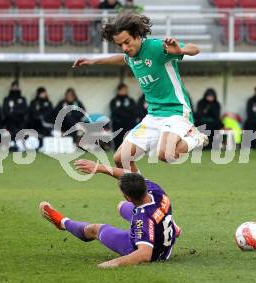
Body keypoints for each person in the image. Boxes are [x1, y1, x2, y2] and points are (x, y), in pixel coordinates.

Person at [73, 13, 207, 172]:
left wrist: (180, 50)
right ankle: (144, 193)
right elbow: (120, 58)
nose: (124, 48)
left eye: (127, 42)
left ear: (137, 36)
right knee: (121, 159)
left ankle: (194, 137)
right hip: (153, 116)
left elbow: (195, 49)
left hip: (176, 111)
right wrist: (94, 61)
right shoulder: (131, 56)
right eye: (120, 44)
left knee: (166, 154)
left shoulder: (156, 47)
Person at [39, 159, 181, 268]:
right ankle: (170, 226)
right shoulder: (155, 190)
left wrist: (113, 263)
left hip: (152, 252)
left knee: (94, 229)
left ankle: (62, 222)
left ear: (129, 197)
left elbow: (144, 254)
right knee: (120, 206)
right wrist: (99, 168)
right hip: (159, 227)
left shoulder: (141, 219)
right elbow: (129, 176)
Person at [110, 83, 138, 149]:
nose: (124, 91)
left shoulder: (130, 100)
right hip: (118, 123)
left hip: (129, 123)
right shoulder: (114, 101)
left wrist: (122, 109)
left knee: (128, 140)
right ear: (118, 90)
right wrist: (126, 110)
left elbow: (133, 110)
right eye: (122, 90)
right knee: (117, 140)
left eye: (125, 90)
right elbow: (115, 111)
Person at [2, 80, 28, 145]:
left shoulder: (22, 99)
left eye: (16, 87)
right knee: (11, 122)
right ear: (11, 88)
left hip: (20, 120)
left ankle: (18, 142)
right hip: (10, 121)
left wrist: (14, 111)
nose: (15, 88)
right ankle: (13, 141)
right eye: (13, 87)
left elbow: (24, 110)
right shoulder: (7, 99)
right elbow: (5, 111)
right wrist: (16, 111)